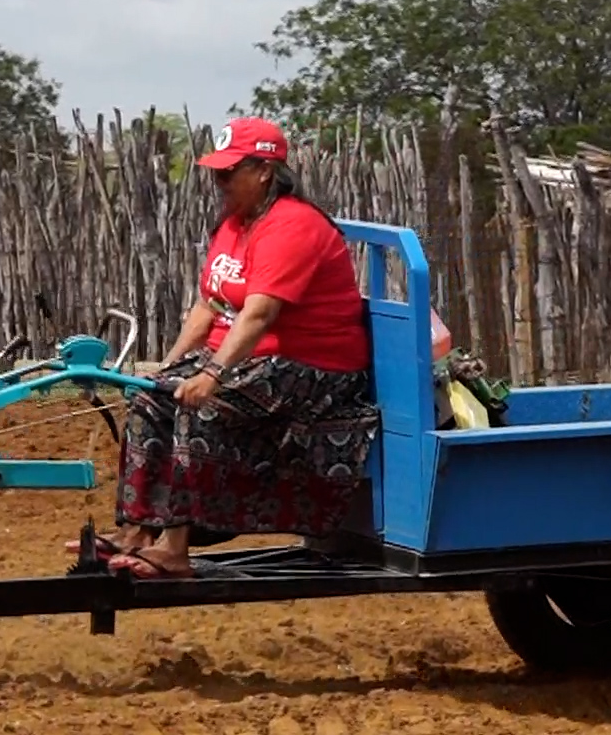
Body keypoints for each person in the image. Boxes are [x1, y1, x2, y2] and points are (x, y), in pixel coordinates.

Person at [71, 116, 382, 579]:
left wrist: (211, 374)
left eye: (227, 172)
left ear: (263, 171)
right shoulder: (235, 226)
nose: (219, 183)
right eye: (216, 173)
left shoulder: (292, 226)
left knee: (199, 406)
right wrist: (172, 367)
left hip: (313, 366)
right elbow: (208, 305)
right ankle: (137, 532)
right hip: (261, 358)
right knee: (152, 397)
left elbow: (258, 315)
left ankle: (176, 550)